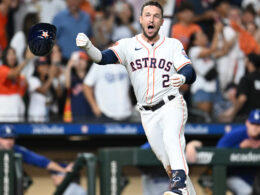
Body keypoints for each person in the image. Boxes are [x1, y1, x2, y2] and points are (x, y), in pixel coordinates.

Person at [76, 1, 196, 194]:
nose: (152, 19)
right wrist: (89, 47)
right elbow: (102, 58)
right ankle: (183, 189)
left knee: (171, 138)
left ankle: (179, 186)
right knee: (169, 164)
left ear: (162, 21)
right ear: (140, 19)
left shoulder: (173, 45)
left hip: (171, 104)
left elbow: (190, 71)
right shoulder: (128, 45)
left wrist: (182, 76)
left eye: (156, 16)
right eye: (147, 15)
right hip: (147, 113)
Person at [0, 125, 86, 194]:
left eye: (11, 138)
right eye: (5, 138)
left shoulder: (16, 149)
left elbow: (41, 161)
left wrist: (63, 170)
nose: (9, 141)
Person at [217, 109, 260, 195]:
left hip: (254, 178)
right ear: (247, 123)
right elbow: (217, 156)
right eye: (253, 124)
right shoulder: (234, 135)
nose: (255, 128)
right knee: (246, 192)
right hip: (232, 176)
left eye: (258, 125)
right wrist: (240, 147)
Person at [0, 46, 34, 122]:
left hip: (17, 109)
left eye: (14, 54)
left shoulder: (19, 75)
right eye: (10, 54)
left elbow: (22, 92)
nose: (12, 56)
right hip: (4, 110)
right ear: (5, 56)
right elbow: (12, 75)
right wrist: (27, 59)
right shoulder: (2, 69)